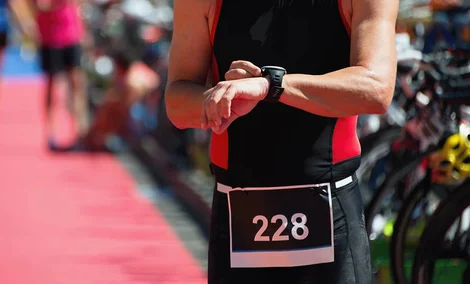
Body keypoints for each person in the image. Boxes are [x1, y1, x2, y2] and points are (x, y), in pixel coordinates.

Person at [165, 0, 398, 283]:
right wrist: (224, 98)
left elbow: (375, 89)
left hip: (331, 210)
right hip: (239, 216)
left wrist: (271, 86)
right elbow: (177, 102)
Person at [32, 0, 89, 151]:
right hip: (51, 37)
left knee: (77, 84)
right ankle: (50, 132)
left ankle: (78, 132)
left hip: (72, 35)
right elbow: (41, 6)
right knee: (52, 85)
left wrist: (83, 31)